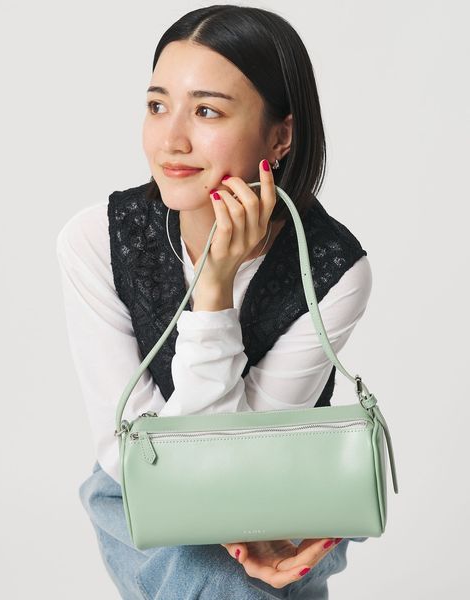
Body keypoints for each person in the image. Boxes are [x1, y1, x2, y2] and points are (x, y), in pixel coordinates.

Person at [56, 5, 371, 599]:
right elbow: (131, 455)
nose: (171, 139)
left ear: (279, 136)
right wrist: (213, 290)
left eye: (206, 111)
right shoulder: (95, 241)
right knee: (221, 580)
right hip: (138, 495)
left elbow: (242, 465)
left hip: (279, 495)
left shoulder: (332, 269)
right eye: (157, 106)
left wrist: (216, 291)